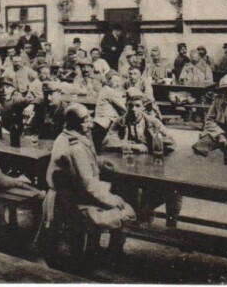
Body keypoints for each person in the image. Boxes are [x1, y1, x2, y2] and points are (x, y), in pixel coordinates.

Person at [41, 104, 135, 257]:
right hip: (76, 202)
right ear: (75, 123)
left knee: (111, 193)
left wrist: (100, 162)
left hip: (67, 196)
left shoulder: (66, 136)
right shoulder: (76, 146)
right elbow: (89, 187)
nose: (90, 121)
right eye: (85, 119)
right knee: (127, 208)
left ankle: (95, 248)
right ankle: (112, 253)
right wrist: (112, 200)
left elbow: (81, 163)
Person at [104, 88, 182, 227]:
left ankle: (171, 224)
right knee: (129, 188)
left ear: (144, 108)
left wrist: (155, 141)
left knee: (174, 188)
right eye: (130, 106)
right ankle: (138, 214)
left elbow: (171, 142)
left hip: (150, 164)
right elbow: (108, 141)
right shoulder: (120, 121)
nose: (133, 109)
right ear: (126, 106)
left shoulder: (153, 122)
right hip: (128, 165)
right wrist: (131, 146)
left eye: (137, 106)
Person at [92, 71, 127, 152]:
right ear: (108, 81)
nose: (118, 84)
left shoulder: (104, 89)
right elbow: (124, 108)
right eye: (115, 81)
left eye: (119, 81)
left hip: (100, 122)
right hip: (103, 125)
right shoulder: (109, 91)